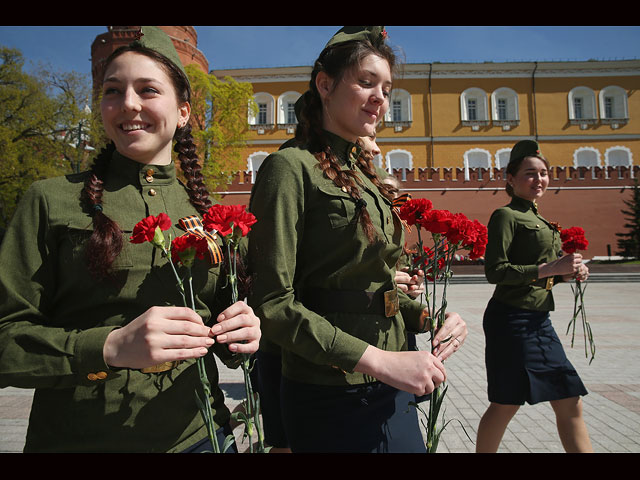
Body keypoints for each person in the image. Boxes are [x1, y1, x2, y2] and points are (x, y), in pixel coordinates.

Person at [0, 26, 260, 453]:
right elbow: (6, 338)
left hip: (202, 437)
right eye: (113, 91)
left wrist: (243, 333)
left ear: (184, 112)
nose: (129, 104)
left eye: (148, 90)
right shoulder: (49, 200)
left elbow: (221, 326)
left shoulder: (211, 215)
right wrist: (108, 346)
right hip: (81, 442)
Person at [247, 26, 467, 453]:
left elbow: (372, 283)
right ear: (325, 84)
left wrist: (428, 318)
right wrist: (381, 361)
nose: (380, 98)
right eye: (366, 82)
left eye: (386, 88)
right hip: (330, 388)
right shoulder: (289, 168)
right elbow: (273, 304)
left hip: (390, 380)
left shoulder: (364, 174)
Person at [475, 139, 593, 453]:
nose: (538, 179)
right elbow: (495, 272)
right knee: (506, 402)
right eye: (529, 173)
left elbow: (547, 271)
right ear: (510, 179)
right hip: (512, 318)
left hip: (538, 321)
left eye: (543, 173)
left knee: (569, 398)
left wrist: (569, 272)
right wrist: (548, 268)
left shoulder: (541, 220)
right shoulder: (507, 216)